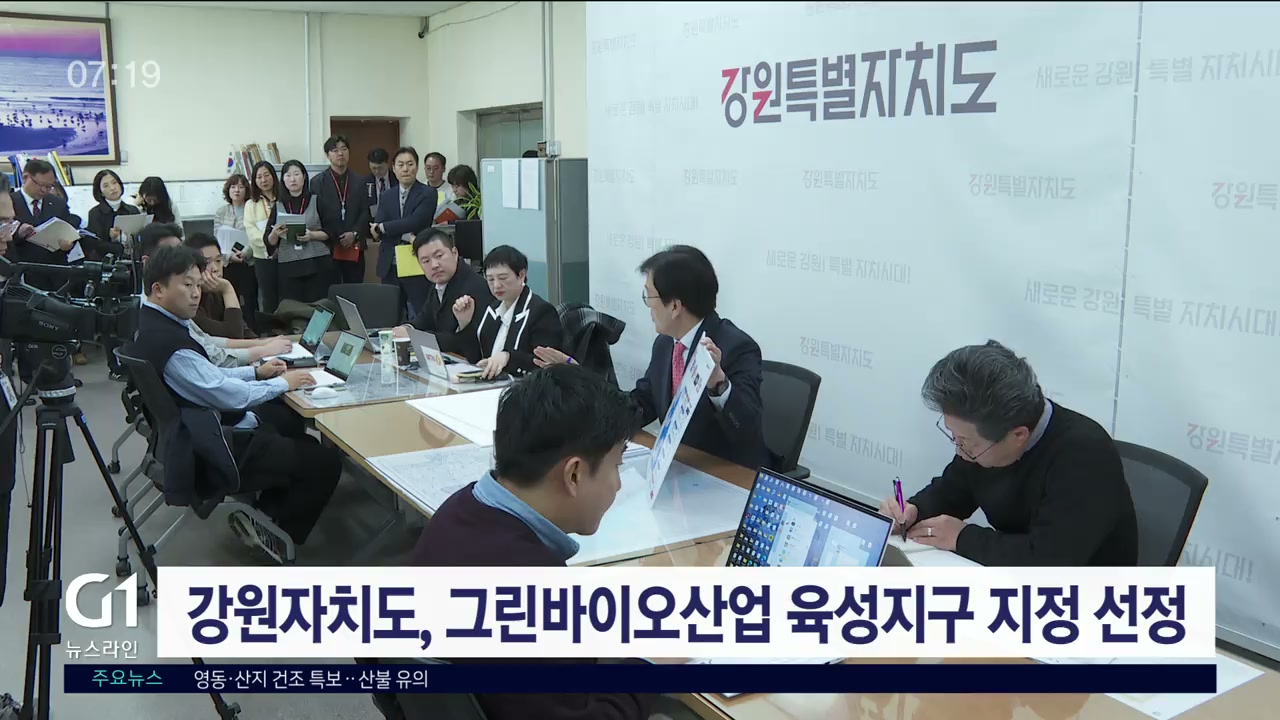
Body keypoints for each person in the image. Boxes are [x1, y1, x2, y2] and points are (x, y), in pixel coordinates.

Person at [408, 362, 674, 720]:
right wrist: (650, 663)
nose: (618, 484)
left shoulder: (461, 508)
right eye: (616, 465)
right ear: (574, 474)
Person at [128, 245, 338, 553]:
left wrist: (256, 373)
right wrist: (282, 382)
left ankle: (264, 517)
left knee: (294, 433)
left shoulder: (153, 324)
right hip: (214, 447)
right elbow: (229, 396)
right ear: (158, 290)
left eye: (198, 285)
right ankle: (277, 538)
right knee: (324, 461)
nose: (196, 293)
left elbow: (210, 376)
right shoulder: (173, 345)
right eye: (187, 285)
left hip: (194, 434)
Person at [879, 340, 1139, 567]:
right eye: (954, 437)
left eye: (966, 443)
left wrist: (962, 537)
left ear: (1018, 436)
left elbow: (1049, 561)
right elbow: (952, 491)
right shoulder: (986, 435)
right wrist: (912, 511)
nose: (960, 451)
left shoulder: (1084, 456)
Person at [535, 245, 767, 470]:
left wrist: (718, 384)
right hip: (679, 467)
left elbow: (747, 432)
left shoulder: (736, 347)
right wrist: (580, 378)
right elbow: (639, 406)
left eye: (649, 296)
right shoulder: (666, 343)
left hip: (727, 474)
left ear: (674, 306)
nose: (648, 306)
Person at [454, 245, 565, 380]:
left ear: (521, 275)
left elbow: (546, 365)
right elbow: (475, 358)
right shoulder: (492, 308)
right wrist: (465, 323)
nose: (496, 285)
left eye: (503, 278)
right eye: (490, 279)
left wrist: (509, 357)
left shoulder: (541, 312)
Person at [390, 229, 491, 356]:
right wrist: (407, 329)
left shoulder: (475, 287)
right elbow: (424, 319)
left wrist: (415, 336)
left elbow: (460, 341)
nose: (434, 265)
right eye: (426, 261)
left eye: (439, 256)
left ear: (454, 253)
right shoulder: (439, 284)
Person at [372, 147, 436, 318]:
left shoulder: (428, 193)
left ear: (417, 167)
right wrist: (405, 235)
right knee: (389, 315)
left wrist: (385, 228)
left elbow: (415, 221)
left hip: (415, 262)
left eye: (410, 164)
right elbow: (378, 226)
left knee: (419, 313)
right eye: (400, 165)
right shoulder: (387, 195)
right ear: (393, 168)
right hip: (390, 264)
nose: (405, 169)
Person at [266, 160, 331, 304]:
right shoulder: (278, 205)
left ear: (304, 177)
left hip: (316, 262)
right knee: (292, 308)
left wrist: (312, 235)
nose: (292, 179)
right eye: (288, 175)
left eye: (296, 174)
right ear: (283, 180)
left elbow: (331, 231)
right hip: (289, 265)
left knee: (319, 306)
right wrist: (275, 233)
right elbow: (269, 241)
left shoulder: (317, 200)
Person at [311, 135, 370, 285]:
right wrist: (337, 235)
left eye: (344, 149)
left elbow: (365, 212)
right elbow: (317, 215)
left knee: (354, 290)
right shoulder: (317, 182)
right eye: (335, 150)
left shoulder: (360, 181)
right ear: (327, 155)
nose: (340, 153)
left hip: (354, 245)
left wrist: (354, 234)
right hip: (328, 246)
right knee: (330, 290)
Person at [10, 159, 78, 288]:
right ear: (25, 178)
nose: (44, 190)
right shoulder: (9, 202)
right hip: (22, 274)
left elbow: (70, 232)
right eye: (40, 185)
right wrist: (18, 233)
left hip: (55, 274)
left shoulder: (58, 203)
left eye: (49, 186)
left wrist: (69, 244)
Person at [185, 232, 255, 339]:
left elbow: (246, 332)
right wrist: (228, 289)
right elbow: (235, 336)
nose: (215, 268)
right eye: (207, 263)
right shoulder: (190, 301)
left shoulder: (218, 290)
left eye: (218, 260)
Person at [214, 173, 258, 331]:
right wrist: (228, 256)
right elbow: (216, 238)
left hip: (248, 262)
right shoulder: (221, 212)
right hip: (227, 263)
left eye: (241, 187)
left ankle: (252, 331)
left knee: (249, 301)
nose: (237, 190)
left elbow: (255, 236)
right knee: (229, 300)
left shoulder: (252, 209)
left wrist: (245, 253)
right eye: (233, 187)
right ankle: (233, 331)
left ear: (247, 190)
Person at [245, 161, 280, 315]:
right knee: (269, 299)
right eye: (259, 177)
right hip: (263, 258)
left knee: (287, 297)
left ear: (273, 176)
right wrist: (269, 245)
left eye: (266, 175)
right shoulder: (251, 204)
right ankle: (271, 328)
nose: (263, 180)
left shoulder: (283, 200)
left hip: (285, 255)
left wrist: (279, 247)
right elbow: (251, 232)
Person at [85, 169, 138, 261]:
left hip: (132, 260)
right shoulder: (95, 213)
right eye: (106, 186)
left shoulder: (132, 210)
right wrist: (115, 241)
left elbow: (140, 238)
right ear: (100, 192)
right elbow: (96, 244)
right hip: (106, 262)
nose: (112, 188)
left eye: (114, 183)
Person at [363, 147, 393, 212]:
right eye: (374, 168)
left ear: (387, 164)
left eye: (380, 168)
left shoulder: (397, 179)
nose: (377, 171)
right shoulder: (365, 182)